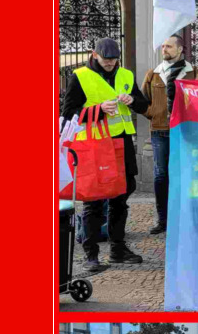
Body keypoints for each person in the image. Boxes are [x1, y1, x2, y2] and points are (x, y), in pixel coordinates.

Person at [61, 37, 149, 270]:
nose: (110, 64)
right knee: (94, 200)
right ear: (94, 54)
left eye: (114, 60)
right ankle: (91, 254)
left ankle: (118, 249)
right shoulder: (79, 76)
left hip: (122, 143)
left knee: (122, 196)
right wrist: (98, 110)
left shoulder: (126, 75)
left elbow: (143, 105)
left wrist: (132, 101)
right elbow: (68, 113)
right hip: (94, 145)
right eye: (106, 60)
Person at [142, 34, 195, 235]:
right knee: (161, 175)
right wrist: (153, 113)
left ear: (180, 49)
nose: (164, 49)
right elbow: (144, 100)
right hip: (160, 132)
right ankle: (162, 219)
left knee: (184, 174)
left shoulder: (193, 73)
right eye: (163, 46)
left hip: (185, 131)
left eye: (169, 46)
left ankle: (183, 216)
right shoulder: (153, 74)